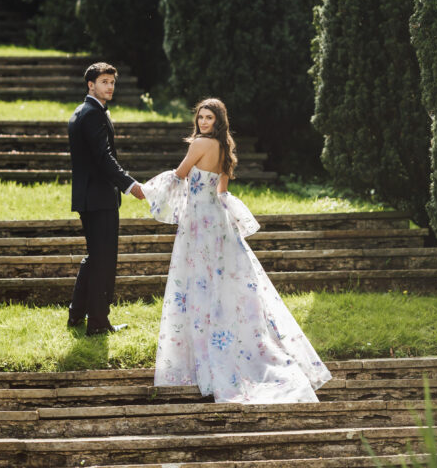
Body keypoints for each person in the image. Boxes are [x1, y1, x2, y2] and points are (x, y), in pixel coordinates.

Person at [142, 98, 331, 403]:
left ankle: (205, 358)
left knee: (199, 284)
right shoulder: (225, 148)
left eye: (209, 118)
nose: (203, 123)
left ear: (218, 121)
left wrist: (146, 190)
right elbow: (223, 192)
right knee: (223, 284)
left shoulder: (200, 144)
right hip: (219, 222)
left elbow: (179, 176)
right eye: (201, 117)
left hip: (200, 224)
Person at [68, 61, 144, 336]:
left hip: (89, 198)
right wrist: (129, 184)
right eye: (104, 82)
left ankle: (76, 314)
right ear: (91, 84)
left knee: (94, 258)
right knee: (104, 261)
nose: (110, 87)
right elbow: (103, 158)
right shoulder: (92, 114)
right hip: (99, 199)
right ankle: (98, 323)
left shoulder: (82, 112)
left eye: (112, 82)